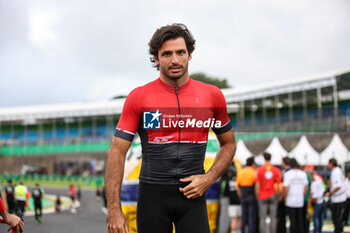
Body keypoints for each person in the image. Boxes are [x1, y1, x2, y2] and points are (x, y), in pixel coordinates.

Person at [105, 23, 236, 233]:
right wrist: (114, 210)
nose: (174, 60)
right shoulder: (139, 97)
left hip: (193, 198)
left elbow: (228, 143)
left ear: (189, 55)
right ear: (156, 59)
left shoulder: (212, 96)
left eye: (180, 52)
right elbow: (117, 151)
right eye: (166, 54)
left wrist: (209, 177)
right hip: (152, 199)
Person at [255, 152, 281, 233]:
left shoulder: (259, 170)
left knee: (262, 218)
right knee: (273, 218)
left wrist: (257, 195)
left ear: (264, 158)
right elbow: (278, 184)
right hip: (273, 194)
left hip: (262, 195)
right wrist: (278, 195)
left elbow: (257, 184)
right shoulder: (276, 170)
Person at [283, 158, 308, 233]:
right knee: (300, 220)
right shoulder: (303, 173)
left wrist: (285, 198)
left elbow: (286, 188)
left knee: (292, 220)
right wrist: (302, 196)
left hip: (290, 200)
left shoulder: (288, 174)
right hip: (300, 200)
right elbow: (306, 187)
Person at [236, 157, 257, 233]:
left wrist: (240, 196)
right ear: (253, 164)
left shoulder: (240, 172)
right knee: (251, 216)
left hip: (243, 194)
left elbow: (237, 187)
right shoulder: (254, 172)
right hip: (251, 194)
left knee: (243, 216)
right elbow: (256, 186)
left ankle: (242, 231)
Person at [325, 158, 346, 233]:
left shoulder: (335, 172)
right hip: (339, 198)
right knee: (338, 218)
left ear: (331, 163)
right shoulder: (338, 170)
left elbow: (338, 186)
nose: (327, 165)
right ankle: (339, 229)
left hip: (338, 198)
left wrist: (330, 193)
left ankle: (338, 230)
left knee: (336, 217)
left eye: (328, 163)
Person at [222, 161, 241, 233]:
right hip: (238, 201)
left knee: (233, 218)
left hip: (231, 201)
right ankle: (238, 231)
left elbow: (224, 190)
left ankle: (233, 231)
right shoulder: (238, 179)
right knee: (239, 218)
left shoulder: (228, 179)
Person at [276, 156, 289, 233]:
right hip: (289, 195)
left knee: (280, 216)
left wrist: (281, 196)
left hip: (283, 195)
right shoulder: (289, 171)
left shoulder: (285, 172)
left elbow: (283, 185)